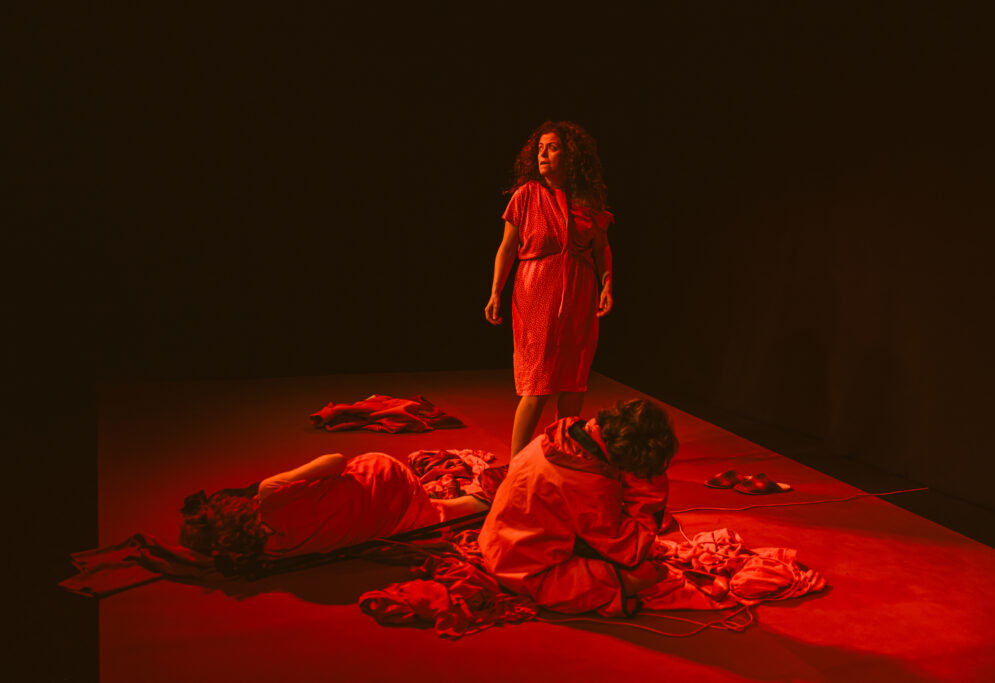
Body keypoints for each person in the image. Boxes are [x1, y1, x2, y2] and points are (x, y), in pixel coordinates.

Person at [477, 398, 721, 616]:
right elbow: (629, 550)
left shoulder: (558, 436)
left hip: (495, 543)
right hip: (525, 572)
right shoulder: (587, 483)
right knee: (646, 573)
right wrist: (648, 482)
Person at [485, 121, 614, 456]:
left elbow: (601, 247)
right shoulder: (526, 195)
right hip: (536, 289)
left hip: (580, 291)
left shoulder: (587, 201)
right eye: (540, 148)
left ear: (571, 156)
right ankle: (516, 463)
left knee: (573, 381)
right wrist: (496, 291)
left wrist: (607, 283)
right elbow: (507, 248)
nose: (543, 154)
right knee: (537, 381)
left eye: (552, 148)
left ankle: (564, 455)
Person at [179, 451, 489, 567]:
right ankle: (489, 499)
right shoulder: (268, 494)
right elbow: (336, 461)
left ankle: (481, 504)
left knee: (440, 512)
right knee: (342, 473)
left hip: (388, 521)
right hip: (384, 476)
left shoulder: (271, 553)